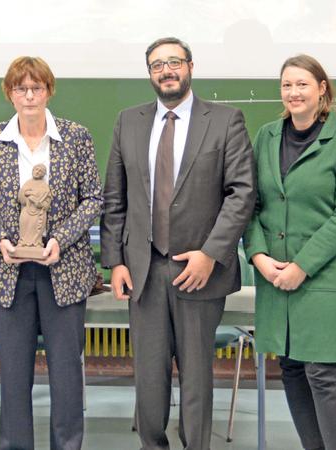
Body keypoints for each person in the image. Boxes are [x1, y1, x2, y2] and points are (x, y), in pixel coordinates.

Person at [100, 37, 256, 449]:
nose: (166, 71)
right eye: (157, 65)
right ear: (149, 73)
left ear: (190, 66)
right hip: (143, 272)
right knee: (148, 379)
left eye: (174, 62)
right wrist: (115, 261)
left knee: (196, 378)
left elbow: (242, 193)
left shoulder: (225, 120)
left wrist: (211, 254)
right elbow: (114, 198)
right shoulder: (128, 121)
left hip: (199, 272)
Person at [0, 55, 102, 450]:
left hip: (63, 272)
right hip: (9, 273)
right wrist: (0, 241)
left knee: (65, 375)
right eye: (20, 88)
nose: (29, 95)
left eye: (37, 87)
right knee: (13, 376)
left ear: (49, 91)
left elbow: (93, 198)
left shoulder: (76, 137)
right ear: (10, 94)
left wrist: (59, 238)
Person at [243, 54, 336, 450]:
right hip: (274, 276)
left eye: (302, 84)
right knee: (292, 368)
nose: (293, 92)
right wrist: (259, 256)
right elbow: (249, 203)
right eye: (286, 85)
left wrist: (302, 266)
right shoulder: (266, 136)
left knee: (321, 372)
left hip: (322, 278)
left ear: (321, 89)